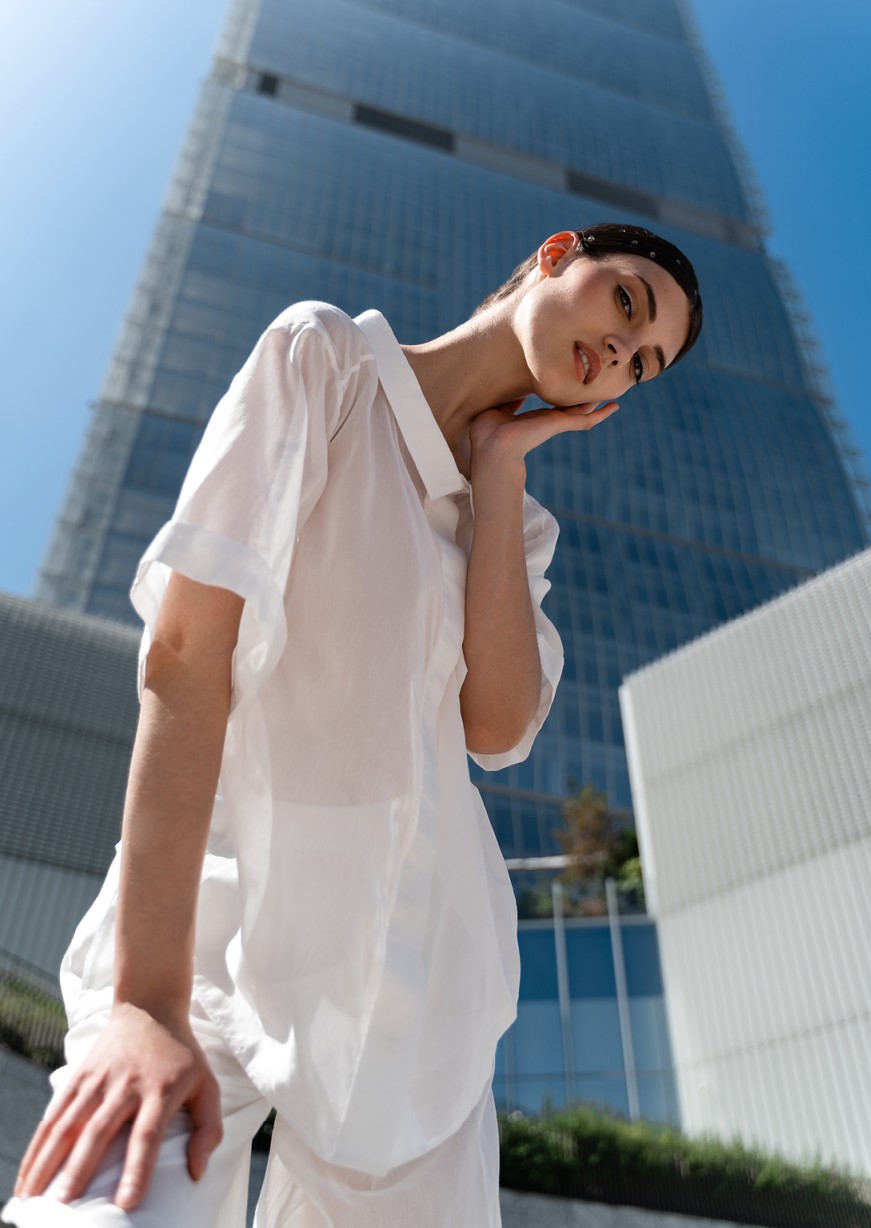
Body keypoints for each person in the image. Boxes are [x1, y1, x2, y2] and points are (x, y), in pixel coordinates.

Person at [6, 224, 702, 1227]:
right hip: (217, 938)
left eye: (644, 366)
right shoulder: (325, 361)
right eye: (627, 305)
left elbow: (497, 728)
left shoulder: (522, 530)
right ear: (556, 256)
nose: (621, 356)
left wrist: (499, 462)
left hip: (419, 1003)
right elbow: (186, 652)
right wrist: (144, 1001)